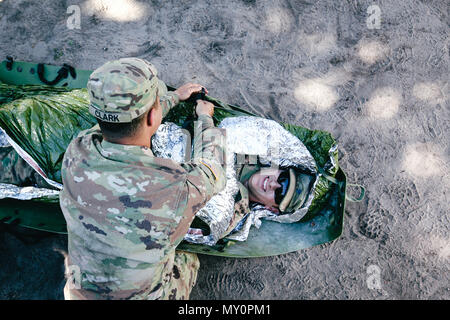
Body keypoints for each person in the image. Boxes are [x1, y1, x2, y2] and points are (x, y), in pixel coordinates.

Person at [59, 57, 226, 300]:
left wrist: (172, 97)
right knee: (188, 258)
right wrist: (205, 118)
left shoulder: (78, 151)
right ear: (151, 118)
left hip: (79, 294)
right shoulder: (175, 188)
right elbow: (213, 169)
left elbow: (114, 125)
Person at [222, 163, 315, 236]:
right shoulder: (251, 152)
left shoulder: (231, 214)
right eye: (283, 179)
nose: (273, 184)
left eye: (280, 193)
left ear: (271, 209)